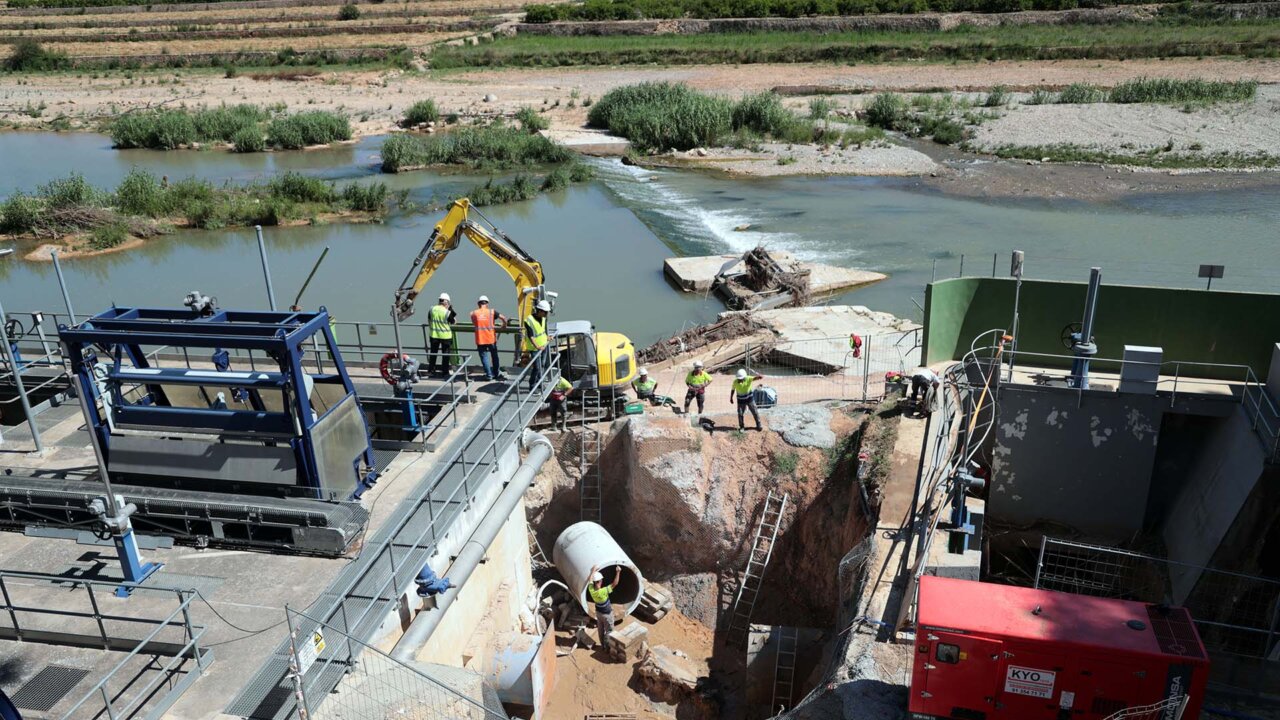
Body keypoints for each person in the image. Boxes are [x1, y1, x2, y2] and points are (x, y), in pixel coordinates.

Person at [471, 295, 508, 381]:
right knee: (494, 356)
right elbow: (503, 318)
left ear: (478, 304)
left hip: (480, 339)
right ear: (487, 303)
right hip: (491, 338)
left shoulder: (474, 313)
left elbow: (474, 323)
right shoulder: (491, 312)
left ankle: (488, 375)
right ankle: (496, 373)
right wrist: (504, 326)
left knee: (484, 357)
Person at [587, 564, 622, 650]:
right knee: (609, 631)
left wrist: (593, 570)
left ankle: (602, 645)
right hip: (607, 614)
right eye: (601, 580)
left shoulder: (591, 590)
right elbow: (615, 583)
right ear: (599, 581)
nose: (602, 581)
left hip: (598, 613)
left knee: (600, 629)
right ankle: (607, 647)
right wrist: (618, 572)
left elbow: (590, 580)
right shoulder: (603, 591)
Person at [523, 300, 551, 391]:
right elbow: (531, 336)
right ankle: (532, 386)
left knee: (542, 365)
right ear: (540, 311)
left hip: (544, 345)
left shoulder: (543, 318)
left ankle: (539, 383)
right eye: (545, 312)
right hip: (535, 348)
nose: (547, 314)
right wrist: (537, 346)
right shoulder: (529, 320)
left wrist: (547, 337)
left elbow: (542, 331)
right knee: (537, 368)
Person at [427, 293, 457, 377]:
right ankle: (445, 372)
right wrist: (450, 310)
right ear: (446, 302)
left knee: (433, 354)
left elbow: (429, 320)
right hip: (445, 336)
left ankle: (431, 371)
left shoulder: (432, 309)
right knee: (445, 355)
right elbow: (454, 322)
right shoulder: (447, 312)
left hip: (434, 335)